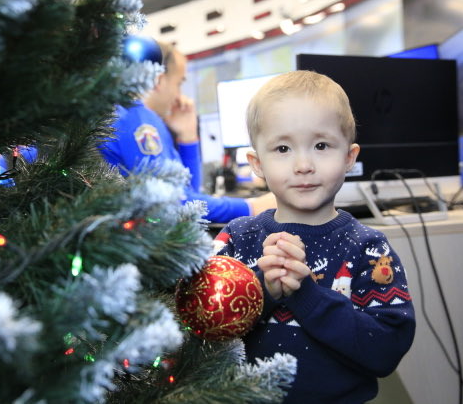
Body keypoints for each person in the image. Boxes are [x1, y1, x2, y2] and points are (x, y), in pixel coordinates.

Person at [213, 70, 415, 403]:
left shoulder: (368, 249)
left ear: (349, 157)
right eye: (282, 148)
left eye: (321, 145)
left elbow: (386, 351)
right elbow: (204, 333)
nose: (303, 164)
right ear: (257, 163)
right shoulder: (235, 239)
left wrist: (306, 295)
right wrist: (262, 290)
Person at [98, 40, 276, 223]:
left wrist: (188, 138)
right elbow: (174, 204)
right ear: (158, 80)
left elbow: (188, 193)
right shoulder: (138, 121)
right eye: (178, 83)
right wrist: (250, 207)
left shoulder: (134, 116)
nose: (179, 95)